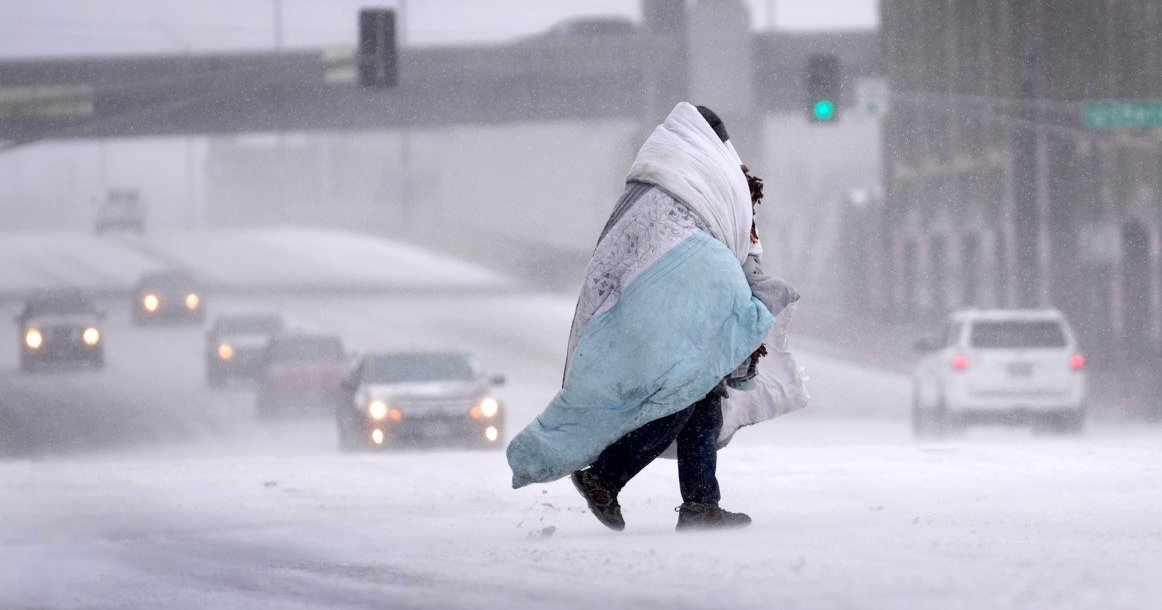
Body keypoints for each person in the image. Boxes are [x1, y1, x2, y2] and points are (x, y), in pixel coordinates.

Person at [506, 102, 801, 531]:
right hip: (675, 302)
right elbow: (729, 242)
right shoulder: (710, 176)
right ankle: (606, 477)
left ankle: (701, 504)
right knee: (683, 393)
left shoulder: (656, 178)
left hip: (646, 302)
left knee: (700, 395)